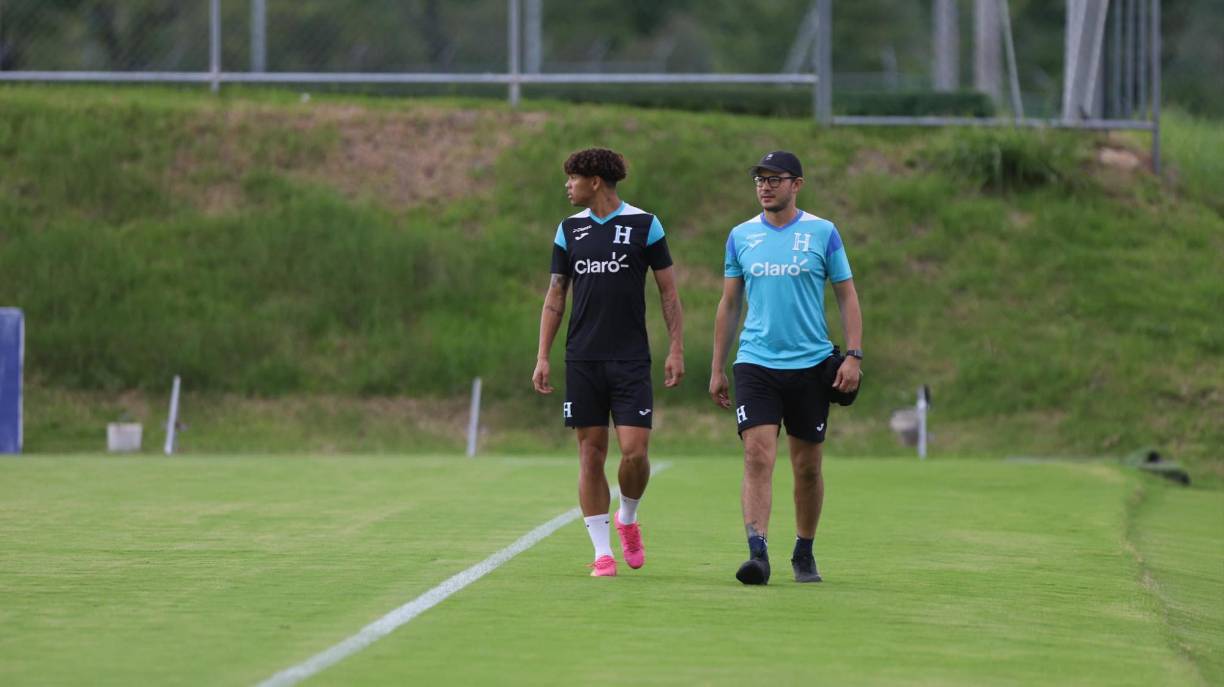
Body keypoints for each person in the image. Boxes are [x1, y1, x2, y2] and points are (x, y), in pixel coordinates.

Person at [708, 150, 863, 585]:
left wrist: (853, 355)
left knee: (807, 467)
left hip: (812, 364)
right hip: (756, 362)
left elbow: (846, 295)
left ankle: (804, 549)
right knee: (757, 455)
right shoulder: (740, 236)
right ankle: (757, 553)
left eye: (775, 179)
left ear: (797, 185)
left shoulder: (822, 232)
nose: (765, 186)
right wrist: (718, 366)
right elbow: (730, 302)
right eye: (759, 179)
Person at [533, 147, 685, 578]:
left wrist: (675, 349)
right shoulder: (569, 230)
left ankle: (628, 518)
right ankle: (602, 553)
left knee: (634, 454)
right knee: (590, 454)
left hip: (631, 359)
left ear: (595, 180)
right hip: (583, 358)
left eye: (573, 177)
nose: (567, 185)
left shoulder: (645, 225)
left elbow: (669, 294)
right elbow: (556, 296)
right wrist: (543, 355)